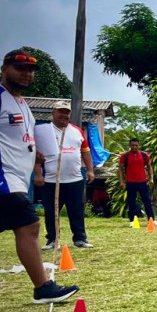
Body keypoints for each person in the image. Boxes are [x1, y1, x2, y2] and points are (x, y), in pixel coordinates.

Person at [0, 50, 79, 307]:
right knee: (30, 225)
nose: (27, 74)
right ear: (4, 68)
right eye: (20, 68)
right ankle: (43, 287)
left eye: (31, 70)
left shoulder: (21, 101)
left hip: (7, 177)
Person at [35, 101, 95, 250]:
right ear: (53, 113)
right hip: (51, 180)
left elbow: (85, 151)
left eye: (66, 112)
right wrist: (37, 174)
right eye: (60, 111)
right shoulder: (42, 131)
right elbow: (35, 155)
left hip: (74, 179)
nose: (64, 115)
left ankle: (80, 238)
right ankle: (52, 240)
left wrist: (89, 170)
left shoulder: (77, 131)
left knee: (77, 210)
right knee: (51, 211)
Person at [118, 138, 157, 225]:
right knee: (131, 202)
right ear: (130, 146)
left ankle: (152, 220)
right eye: (132, 145)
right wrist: (121, 182)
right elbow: (120, 169)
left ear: (139, 145)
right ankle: (132, 221)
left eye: (136, 145)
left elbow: (149, 167)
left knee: (147, 201)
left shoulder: (144, 155)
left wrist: (151, 179)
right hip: (130, 182)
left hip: (142, 182)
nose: (134, 147)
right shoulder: (125, 156)